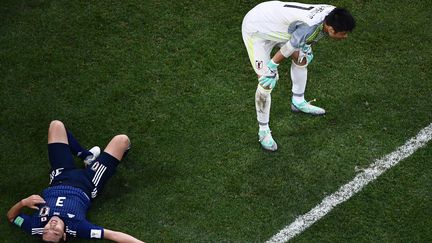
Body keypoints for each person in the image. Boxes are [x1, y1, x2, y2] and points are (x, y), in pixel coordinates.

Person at [242, 1, 356, 151]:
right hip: (257, 29)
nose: (345, 36)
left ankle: (298, 101)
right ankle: (263, 131)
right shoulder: (309, 28)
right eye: (344, 33)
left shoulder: (332, 14)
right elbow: (289, 48)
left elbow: (304, 35)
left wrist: (306, 47)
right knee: (266, 83)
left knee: (301, 59)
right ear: (331, 29)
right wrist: (271, 68)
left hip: (277, 23)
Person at [7, 120, 144, 243]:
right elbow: (113, 235)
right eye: (56, 232)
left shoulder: (34, 226)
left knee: (56, 125)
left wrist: (23, 203)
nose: (51, 226)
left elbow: (12, 217)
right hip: (88, 182)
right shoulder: (78, 228)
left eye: (46, 230)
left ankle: (86, 156)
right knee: (122, 140)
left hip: (60, 176)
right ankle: (92, 162)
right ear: (64, 235)